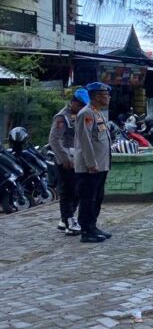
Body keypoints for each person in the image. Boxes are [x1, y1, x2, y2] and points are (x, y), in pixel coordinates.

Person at [74, 82, 113, 243]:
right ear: (97, 96)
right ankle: (86, 230)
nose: (108, 98)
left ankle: (93, 226)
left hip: (101, 164)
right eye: (105, 95)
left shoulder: (97, 112)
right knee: (88, 198)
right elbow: (85, 141)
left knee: (97, 197)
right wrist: (91, 163)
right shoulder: (86, 113)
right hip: (90, 166)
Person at [49, 88, 88, 235]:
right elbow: (54, 139)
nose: (80, 109)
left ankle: (66, 217)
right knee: (67, 191)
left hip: (77, 158)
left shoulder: (79, 116)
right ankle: (69, 221)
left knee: (77, 190)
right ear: (73, 102)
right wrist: (65, 159)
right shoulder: (61, 117)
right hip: (65, 159)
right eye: (79, 105)